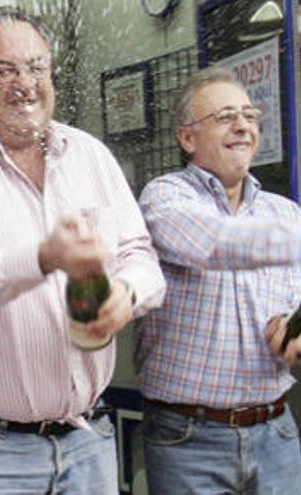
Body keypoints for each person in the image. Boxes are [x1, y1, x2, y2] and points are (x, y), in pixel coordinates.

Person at [0, 7, 165, 494]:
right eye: (5, 70)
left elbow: (140, 255)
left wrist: (126, 294)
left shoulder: (91, 155)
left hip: (88, 441)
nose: (25, 83)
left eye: (37, 67)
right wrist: (43, 258)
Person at [137, 66, 301, 494]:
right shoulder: (165, 196)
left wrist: (292, 329)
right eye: (226, 116)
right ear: (187, 138)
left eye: (249, 115)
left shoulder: (284, 213)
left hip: (276, 432)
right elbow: (214, 244)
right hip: (188, 439)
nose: (243, 126)